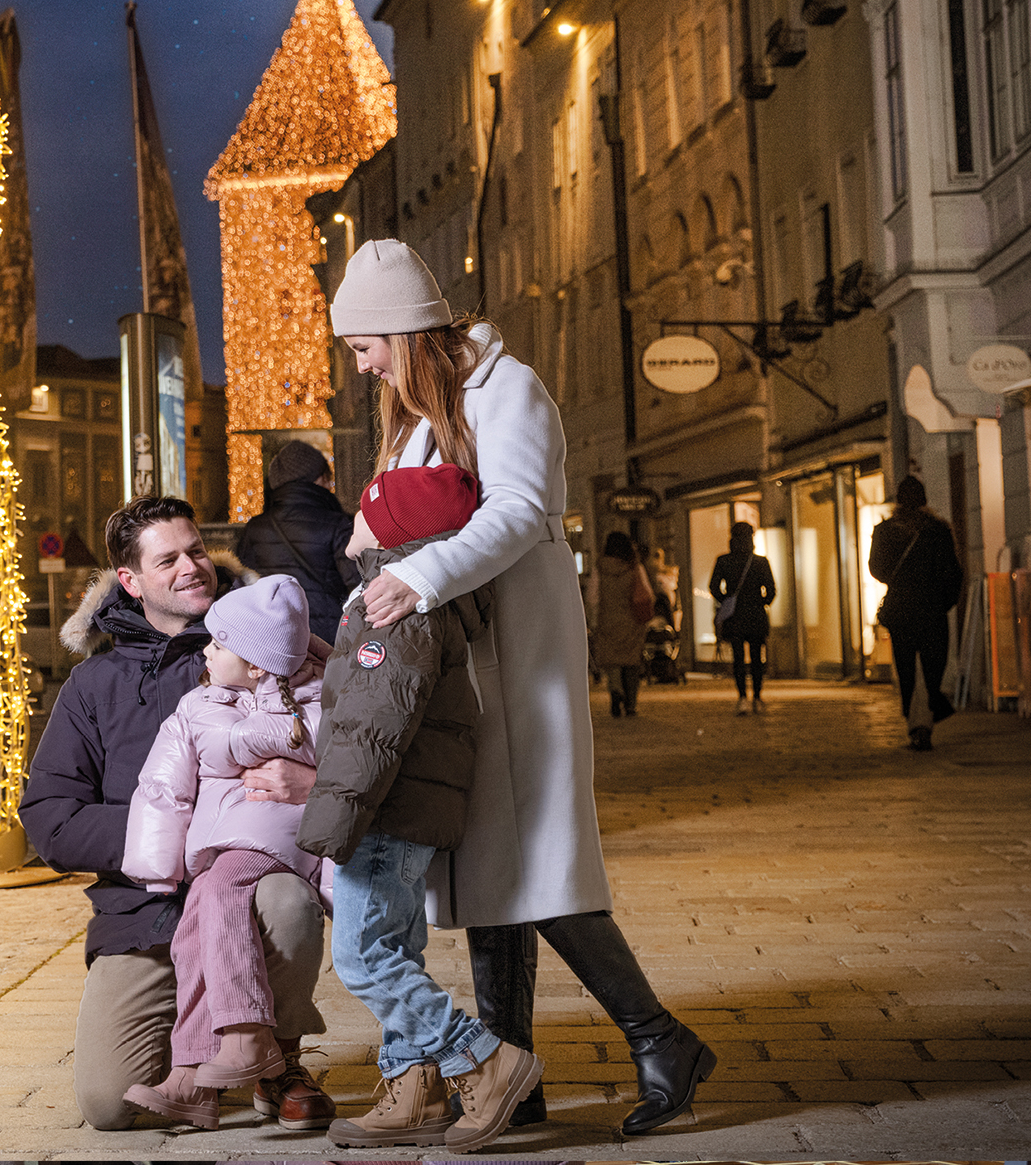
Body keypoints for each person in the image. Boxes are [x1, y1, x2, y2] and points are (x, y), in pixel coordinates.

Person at [284, 239, 716, 1140]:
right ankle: (522, 1077)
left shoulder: (507, 387)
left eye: (365, 343)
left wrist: (422, 575)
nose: (359, 363)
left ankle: (654, 1037)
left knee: (534, 862)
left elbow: (522, 508)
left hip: (518, 654)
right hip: (460, 664)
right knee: (495, 867)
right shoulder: (416, 414)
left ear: (405, 332)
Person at [20, 498, 333, 1133]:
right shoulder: (95, 684)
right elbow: (50, 818)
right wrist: (175, 834)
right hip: (146, 912)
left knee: (287, 901)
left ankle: (276, 1061)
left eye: (196, 550)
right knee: (110, 1105)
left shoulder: (274, 649)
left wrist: (313, 783)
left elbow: (351, 748)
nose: (192, 566)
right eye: (168, 560)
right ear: (130, 582)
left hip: (252, 885)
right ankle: (207, 1062)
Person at [298, 462, 542, 1151]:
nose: (356, 512)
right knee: (393, 945)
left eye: (369, 506)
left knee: (364, 956)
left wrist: (334, 819)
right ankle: (415, 1085)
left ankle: (485, 1059)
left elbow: (375, 721)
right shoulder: (400, 598)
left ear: (394, 531)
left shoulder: (390, 606)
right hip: (404, 808)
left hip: (384, 810)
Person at [117, 577, 332, 1130]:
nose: (205, 651)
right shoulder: (206, 699)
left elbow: (235, 744)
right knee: (195, 925)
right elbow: (163, 787)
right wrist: (158, 867)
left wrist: (275, 729)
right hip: (228, 842)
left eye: (218, 643)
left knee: (220, 889)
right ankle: (191, 1077)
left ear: (258, 665)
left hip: (271, 836)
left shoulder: (311, 700)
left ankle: (246, 1035)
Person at [234, 439, 360, 646]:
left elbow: (245, 589)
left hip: (275, 637)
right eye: (328, 478)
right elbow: (360, 587)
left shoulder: (255, 528)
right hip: (331, 641)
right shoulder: (339, 524)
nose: (330, 485)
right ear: (318, 479)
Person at [870, 475, 963, 752]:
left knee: (906, 668)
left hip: (901, 609)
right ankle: (929, 715)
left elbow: (877, 569)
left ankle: (915, 725)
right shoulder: (939, 530)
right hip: (932, 609)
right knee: (934, 667)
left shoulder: (885, 531)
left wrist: (898, 584)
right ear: (924, 499)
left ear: (898, 500)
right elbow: (953, 573)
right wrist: (944, 601)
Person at [710, 522, 776, 715]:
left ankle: (742, 698)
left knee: (738, 658)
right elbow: (771, 589)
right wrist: (762, 601)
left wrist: (727, 601)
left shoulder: (723, 561)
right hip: (756, 614)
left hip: (734, 616)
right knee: (757, 658)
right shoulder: (760, 562)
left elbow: (714, 587)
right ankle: (757, 697)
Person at [592, 532, 654, 717]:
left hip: (607, 620)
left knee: (612, 661)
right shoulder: (635, 568)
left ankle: (616, 690)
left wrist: (594, 618)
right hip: (632, 621)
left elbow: (592, 597)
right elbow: (647, 594)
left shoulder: (600, 568)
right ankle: (631, 704)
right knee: (632, 662)